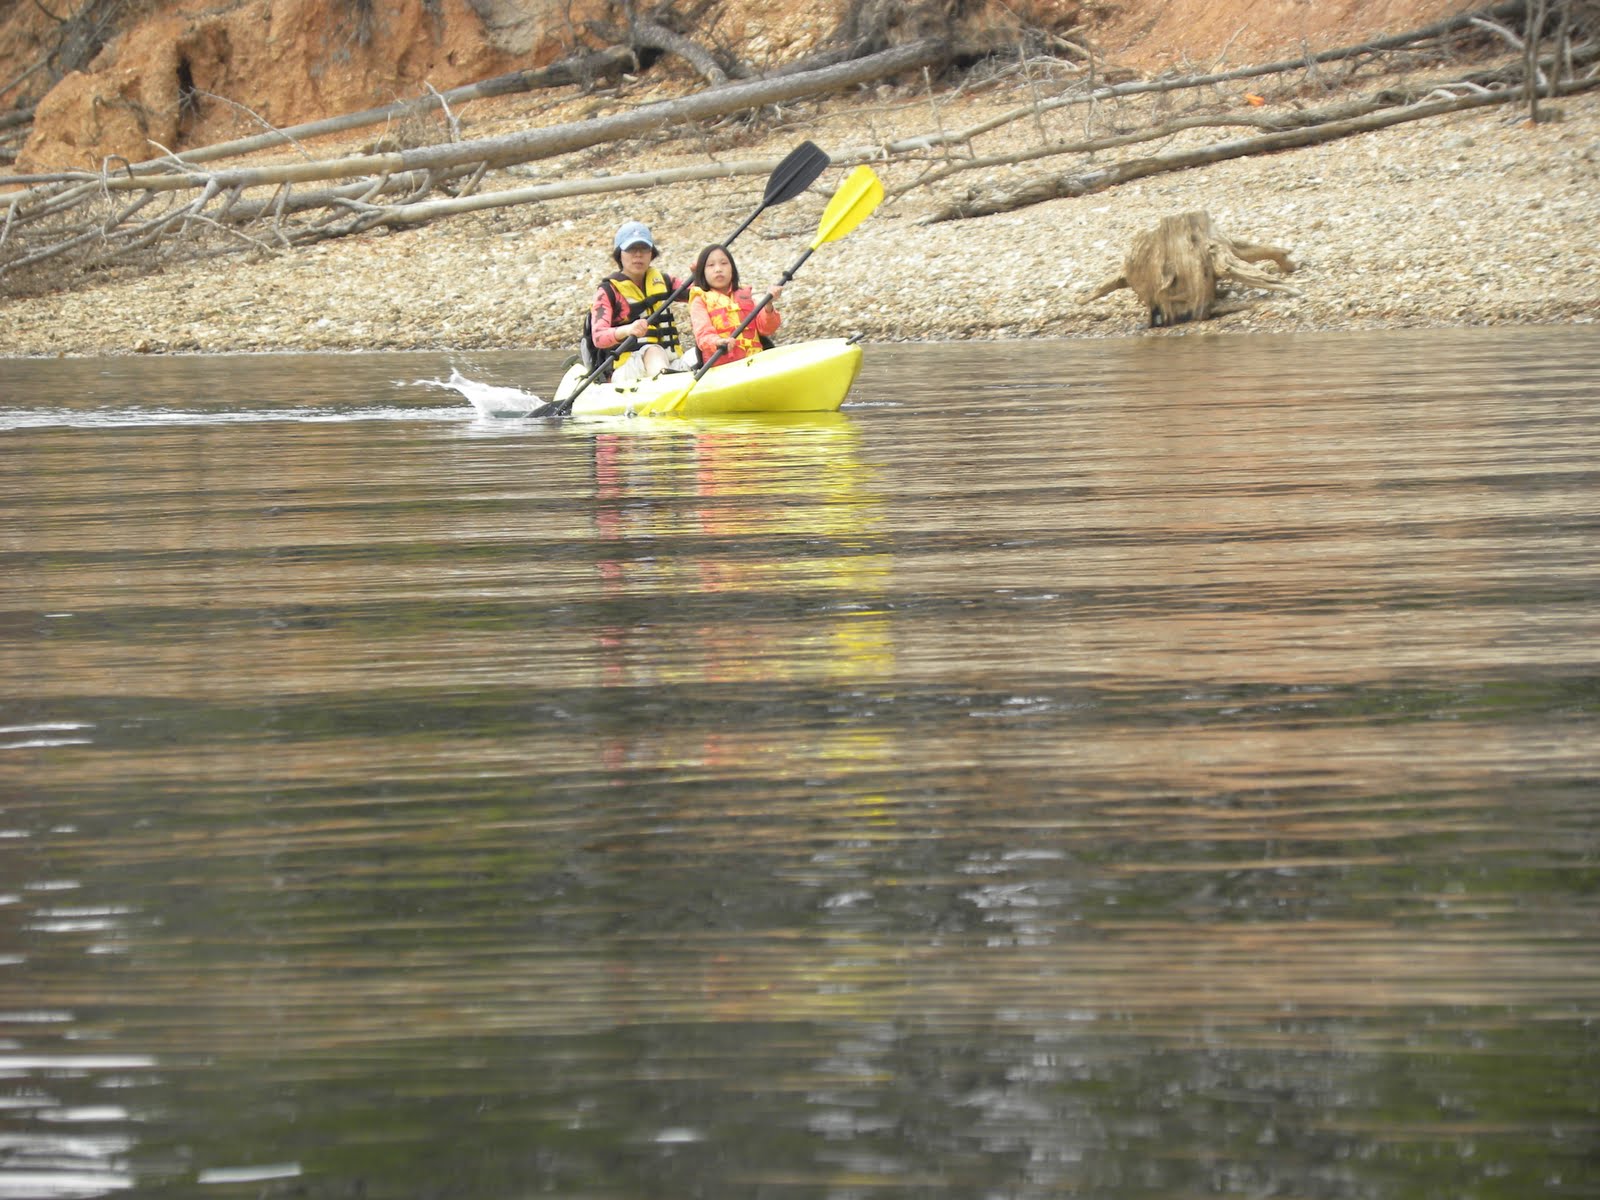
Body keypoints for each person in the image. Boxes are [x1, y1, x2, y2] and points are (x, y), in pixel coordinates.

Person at [591, 220, 694, 383]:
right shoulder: (608, 291)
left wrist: (702, 275)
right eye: (631, 249)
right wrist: (627, 330)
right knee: (652, 350)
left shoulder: (664, 281)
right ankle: (665, 385)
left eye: (644, 249)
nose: (638, 255)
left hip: (670, 363)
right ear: (620, 254)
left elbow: (701, 294)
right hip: (628, 370)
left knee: (698, 354)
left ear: (651, 253)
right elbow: (599, 337)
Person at [688, 243, 783, 369]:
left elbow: (767, 329)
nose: (718, 269)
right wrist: (717, 342)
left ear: (732, 268)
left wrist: (768, 306)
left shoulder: (745, 295)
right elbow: (703, 335)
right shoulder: (700, 300)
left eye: (724, 263)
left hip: (755, 361)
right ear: (702, 272)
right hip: (723, 367)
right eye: (711, 265)